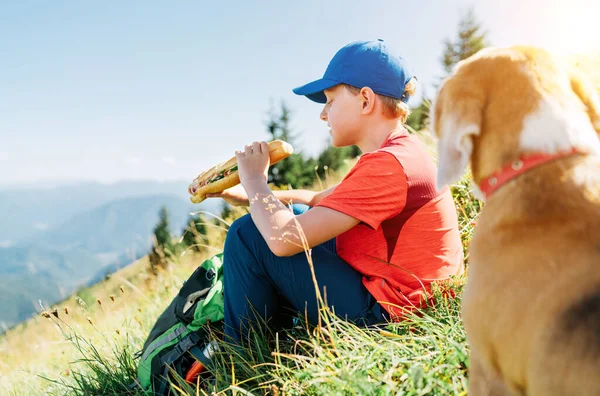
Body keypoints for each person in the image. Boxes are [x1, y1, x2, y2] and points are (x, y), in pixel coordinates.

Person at [208, 39, 464, 344]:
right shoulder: (397, 154)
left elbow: (283, 241)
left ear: (366, 101)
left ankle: (240, 355)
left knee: (249, 234)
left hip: (392, 317)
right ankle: (268, 324)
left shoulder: (391, 166)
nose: (323, 114)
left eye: (330, 101)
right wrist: (248, 196)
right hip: (400, 298)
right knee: (296, 215)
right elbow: (317, 200)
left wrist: (255, 182)